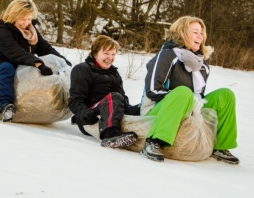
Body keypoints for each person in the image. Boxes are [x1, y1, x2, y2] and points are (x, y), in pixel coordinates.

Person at [140, 16, 239, 164]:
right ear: (182, 33)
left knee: (225, 95)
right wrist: (187, 97)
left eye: (201, 33)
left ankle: (220, 146)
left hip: (188, 108)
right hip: (157, 108)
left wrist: (195, 100)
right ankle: (154, 141)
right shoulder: (168, 55)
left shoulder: (202, 65)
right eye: (195, 32)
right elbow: (152, 90)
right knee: (183, 92)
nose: (200, 36)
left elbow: (198, 95)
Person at [0, 0, 71, 122]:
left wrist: (65, 63)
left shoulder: (31, 31)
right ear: (13, 15)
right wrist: (38, 64)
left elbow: (45, 48)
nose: (26, 23)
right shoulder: (1, 30)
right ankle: (5, 105)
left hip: (24, 71)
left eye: (29, 19)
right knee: (7, 66)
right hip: (0, 74)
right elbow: (15, 52)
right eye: (22, 19)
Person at [69, 35, 140, 148]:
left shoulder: (114, 73)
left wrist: (134, 110)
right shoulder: (82, 69)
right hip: (91, 117)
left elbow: (122, 98)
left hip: (113, 110)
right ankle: (110, 134)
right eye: (106, 53)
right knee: (114, 97)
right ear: (95, 53)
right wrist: (86, 115)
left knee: (142, 106)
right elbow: (74, 100)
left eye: (113, 54)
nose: (110, 58)